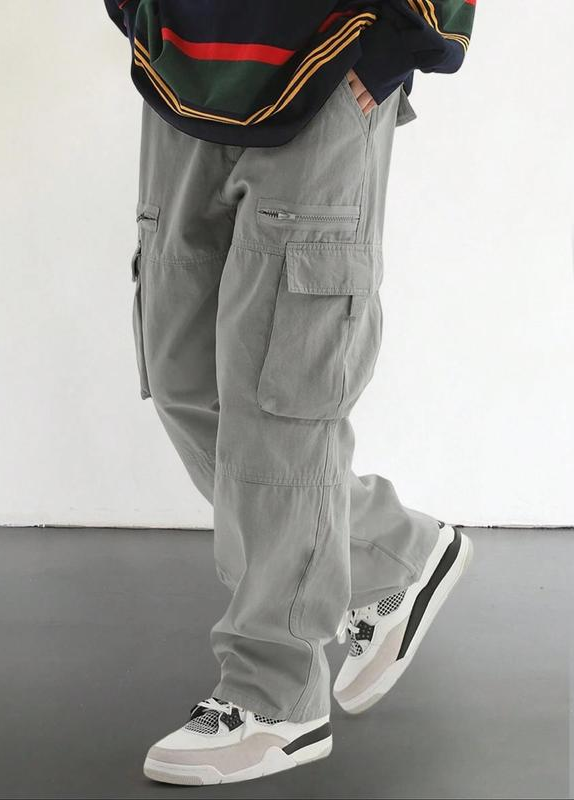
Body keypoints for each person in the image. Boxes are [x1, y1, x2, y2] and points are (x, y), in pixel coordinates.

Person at [105, 0, 476, 786]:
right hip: (180, 64)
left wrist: (393, 49)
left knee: (282, 396)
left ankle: (275, 698)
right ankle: (392, 554)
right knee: (182, 380)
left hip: (326, 61)